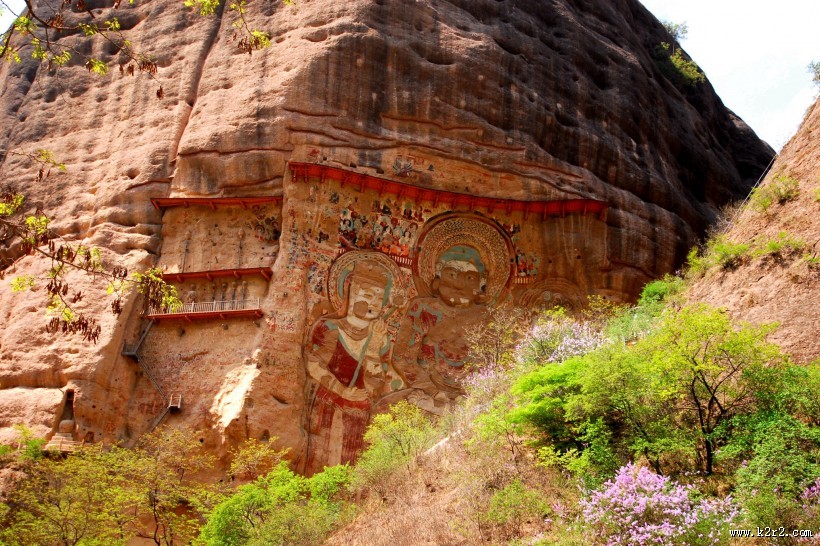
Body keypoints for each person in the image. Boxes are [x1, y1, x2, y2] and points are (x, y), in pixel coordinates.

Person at [303, 260, 393, 474]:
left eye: (379, 298)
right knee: (325, 461)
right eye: (367, 295)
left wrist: (373, 349)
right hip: (329, 403)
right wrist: (342, 391)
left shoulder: (380, 337)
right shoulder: (329, 327)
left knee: (353, 464)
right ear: (350, 293)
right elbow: (313, 364)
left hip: (360, 410)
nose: (374, 303)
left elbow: (376, 385)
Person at [393, 246, 489, 415]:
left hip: (472, 397)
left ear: (481, 286)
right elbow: (402, 357)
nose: (458, 284)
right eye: (451, 274)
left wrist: (475, 395)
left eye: (469, 277)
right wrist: (434, 392)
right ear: (437, 279)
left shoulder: (487, 317)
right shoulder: (423, 308)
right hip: (427, 391)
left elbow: (497, 363)